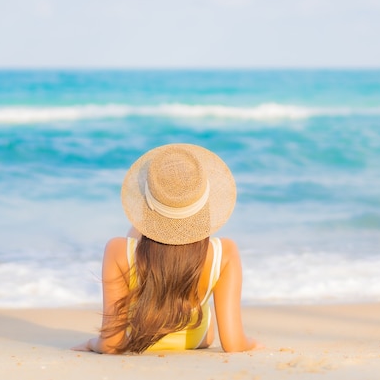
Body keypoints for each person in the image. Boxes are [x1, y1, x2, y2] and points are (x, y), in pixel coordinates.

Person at [72, 143, 259, 354]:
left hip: (137, 341)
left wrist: (91, 343)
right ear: (203, 198)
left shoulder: (117, 249)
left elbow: (111, 344)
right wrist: (251, 342)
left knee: (135, 236)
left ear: (148, 196)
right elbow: (233, 344)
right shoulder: (224, 252)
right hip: (196, 340)